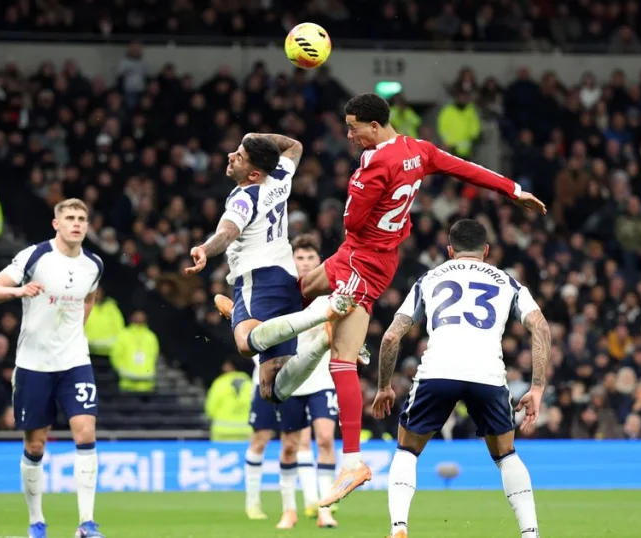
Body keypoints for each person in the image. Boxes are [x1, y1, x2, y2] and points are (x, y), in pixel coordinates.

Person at [214, 94, 547, 502]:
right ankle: (255, 326)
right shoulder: (418, 150)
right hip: (360, 252)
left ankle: (352, 461)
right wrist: (513, 190)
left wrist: (360, 190)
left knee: (340, 358)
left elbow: (352, 219)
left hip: (364, 261)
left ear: (374, 126)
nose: (349, 135)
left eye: (353, 127)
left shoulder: (373, 163)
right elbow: (465, 169)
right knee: (298, 289)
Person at [371, 219, 549, 538]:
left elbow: (389, 338)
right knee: (506, 454)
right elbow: (541, 327)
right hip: (487, 374)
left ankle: (399, 527)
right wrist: (537, 388)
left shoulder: (429, 278)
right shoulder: (508, 282)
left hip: (437, 371)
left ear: (450, 250)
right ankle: (530, 533)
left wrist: (384, 386)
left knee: (406, 450)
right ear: (487, 250)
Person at [183, 132, 350, 432]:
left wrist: (204, 250)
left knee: (245, 344)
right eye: (235, 150)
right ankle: (323, 338)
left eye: (240, 156)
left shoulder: (244, 196)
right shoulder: (281, 177)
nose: (231, 156)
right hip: (286, 279)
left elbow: (228, 232)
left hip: (257, 281)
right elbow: (295, 146)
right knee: (272, 390)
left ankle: (315, 315)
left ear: (254, 173)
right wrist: (255, 137)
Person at [0, 198, 105, 538]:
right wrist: (21, 290)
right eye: (70, 218)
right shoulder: (35, 256)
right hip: (34, 364)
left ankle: (87, 524)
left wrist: (77, 329)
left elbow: (90, 296)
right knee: (35, 445)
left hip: (75, 361)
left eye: (82, 218)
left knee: (86, 432)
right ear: (56, 224)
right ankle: (36, 521)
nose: (77, 223)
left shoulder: (93, 264)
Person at [221, 235, 359, 529]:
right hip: (288, 379)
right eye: (300, 258)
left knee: (324, 439)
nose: (306, 263)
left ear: (318, 262)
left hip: (320, 378)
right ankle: (288, 510)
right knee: (288, 446)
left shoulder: (327, 293)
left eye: (311, 258)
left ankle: (325, 508)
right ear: (290, 261)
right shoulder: (279, 294)